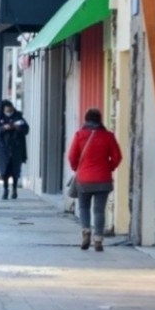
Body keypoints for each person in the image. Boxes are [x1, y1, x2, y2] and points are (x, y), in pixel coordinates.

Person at [68, 108, 122, 252]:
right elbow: (117, 157)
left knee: (84, 208)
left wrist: (76, 169)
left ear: (86, 120)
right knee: (99, 211)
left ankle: (86, 232)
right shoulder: (108, 136)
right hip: (103, 179)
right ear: (100, 120)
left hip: (84, 179)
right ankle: (98, 240)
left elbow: (72, 156)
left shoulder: (79, 135)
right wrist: (109, 168)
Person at [0, 100, 28, 200]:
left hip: (16, 148)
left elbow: (26, 129)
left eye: (10, 108)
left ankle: (14, 189)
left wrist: (17, 128)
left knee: (15, 170)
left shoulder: (18, 117)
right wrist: (4, 128)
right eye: (7, 108)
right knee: (5, 171)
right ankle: (5, 189)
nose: (9, 110)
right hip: (4, 148)